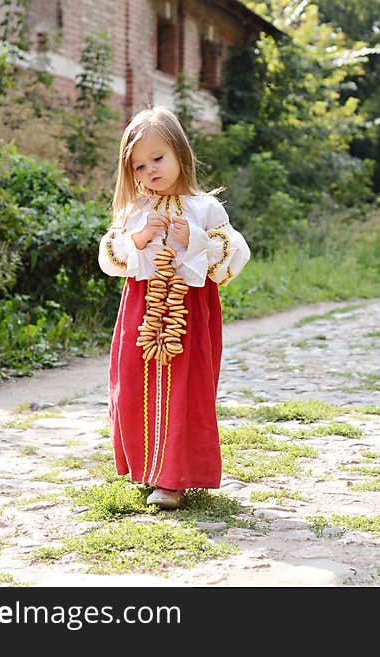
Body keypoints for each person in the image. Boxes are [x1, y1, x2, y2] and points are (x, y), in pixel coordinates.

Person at [97, 107, 250, 509]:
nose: (150, 171)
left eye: (158, 159)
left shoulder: (204, 209)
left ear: (180, 153)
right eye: (140, 166)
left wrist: (196, 240)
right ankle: (145, 467)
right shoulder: (135, 212)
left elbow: (233, 256)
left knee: (185, 389)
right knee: (134, 385)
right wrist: (141, 238)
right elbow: (109, 257)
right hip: (142, 312)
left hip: (190, 312)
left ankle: (174, 478)